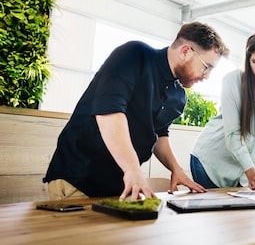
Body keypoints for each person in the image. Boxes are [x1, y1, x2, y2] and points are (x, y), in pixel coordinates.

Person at [43, 21, 230, 201]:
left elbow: (159, 135)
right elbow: (109, 113)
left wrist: (176, 169)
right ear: (185, 51)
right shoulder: (134, 55)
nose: (207, 76)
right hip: (78, 178)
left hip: (120, 186)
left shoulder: (178, 96)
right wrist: (133, 170)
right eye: (207, 67)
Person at [190, 31, 255, 191]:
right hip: (209, 162)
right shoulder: (231, 81)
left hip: (240, 169)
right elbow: (233, 135)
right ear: (248, 60)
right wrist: (251, 171)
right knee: (213, 214)